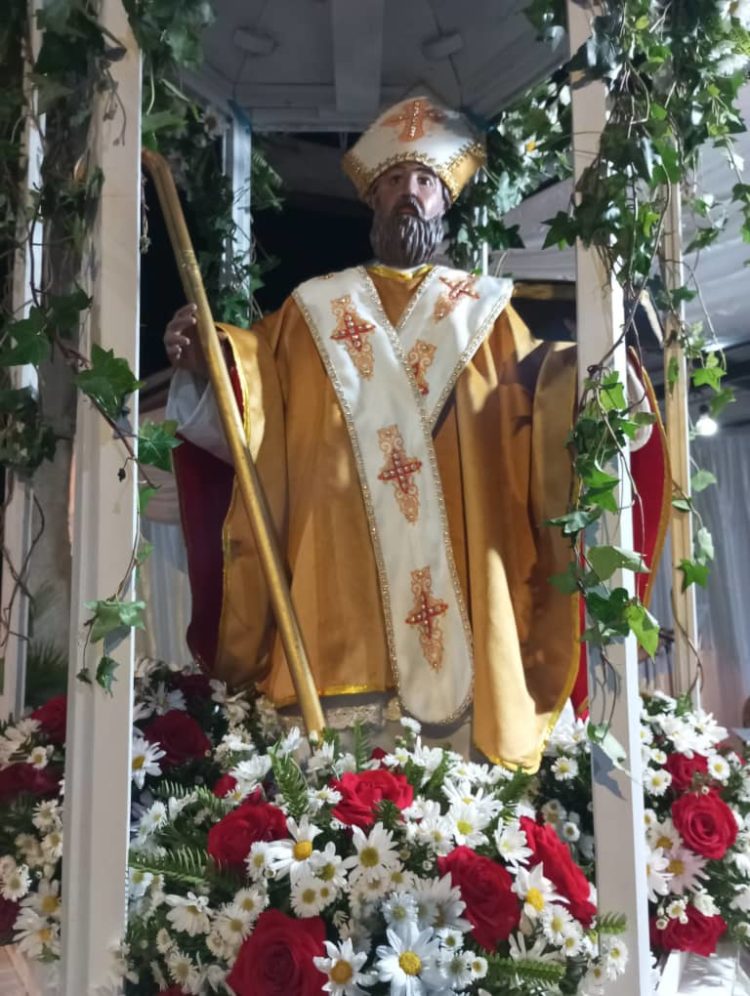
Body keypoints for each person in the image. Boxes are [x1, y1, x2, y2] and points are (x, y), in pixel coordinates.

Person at [164, 95, 664, 769]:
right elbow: (259, 397)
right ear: (373, 198)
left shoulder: (485, 312)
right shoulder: (313, 309)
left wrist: (593, 377)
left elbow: (537, 398)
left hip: (461, 567)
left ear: (443, 201)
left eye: (424, 181)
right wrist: (214, 360)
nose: (409, 192)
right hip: (334, 576)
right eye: (395, 179)